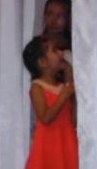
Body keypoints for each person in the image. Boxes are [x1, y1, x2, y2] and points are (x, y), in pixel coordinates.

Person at [22, 35, 78, 169]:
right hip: (48, 146)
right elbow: (45, 118)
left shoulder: (63, 86)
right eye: (54, 50)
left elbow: (73, 119)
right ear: (43, 62)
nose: (60, 52)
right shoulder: (37, 86)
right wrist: (62, 97)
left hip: (67, 141)